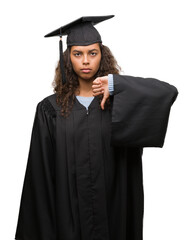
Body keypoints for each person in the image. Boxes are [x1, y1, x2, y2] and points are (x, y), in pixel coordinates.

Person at [14, 15, 178, 240]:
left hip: (113, 218)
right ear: (68, 58)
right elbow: (40, 177)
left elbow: (168, 92)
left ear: (103, 55)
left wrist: (115, 84)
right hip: (66, 221)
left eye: (93, 53)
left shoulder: (119, 104)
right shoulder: (50, 109)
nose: (85, 61)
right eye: (77, 54)